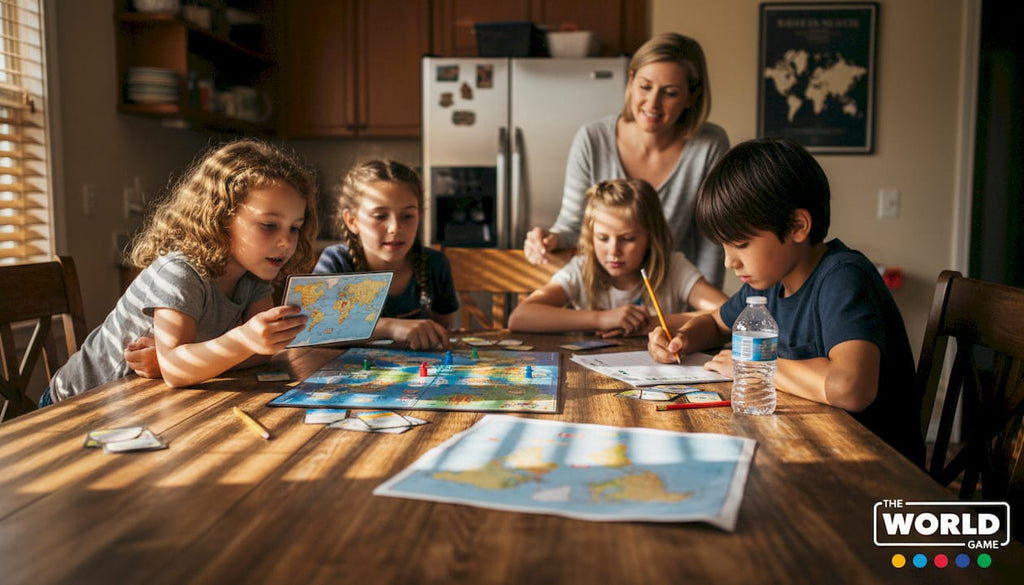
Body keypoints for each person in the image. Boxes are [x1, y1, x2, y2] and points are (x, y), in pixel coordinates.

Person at [647, 138, 925, 465]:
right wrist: (681, 339)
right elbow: (714, 323)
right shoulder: (769, 284)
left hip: (877, 471)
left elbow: (851, 388)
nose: (728, 262)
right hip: (807, 448)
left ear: (797, 226)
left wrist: (750, 365)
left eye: (741, 244)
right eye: (724, 246)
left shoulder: (843, 277)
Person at [41, 138, 319, 405]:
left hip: (140, 404)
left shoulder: (253, 276)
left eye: (294, 227)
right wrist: (241, 339)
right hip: (77, 404)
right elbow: (178, 369)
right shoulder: (181, 271)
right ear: (220, 217)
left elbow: (260, 353)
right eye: (269, 225)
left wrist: (174, 361)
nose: (286, 242)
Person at [523, 32, 730, 288]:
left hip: (674, 299)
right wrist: (550, 238)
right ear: (631, 80)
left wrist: (704, 316)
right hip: (602, 300)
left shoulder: (709, 145)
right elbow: (573, 224)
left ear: (691, 97)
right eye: (645, 86)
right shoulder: (592, 139)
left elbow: (711, 241)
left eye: (670, 93)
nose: (653, 103)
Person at [508, 178, 725, 337]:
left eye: (628, 239)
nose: (613, 251)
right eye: (602, 238)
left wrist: (651, 323)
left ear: (650, 237)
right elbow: (520, 317)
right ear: (590, 237)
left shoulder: (674, 267)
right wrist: (602, 319)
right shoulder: (581, 269)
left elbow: (729, 313)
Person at [315, 160, 458, 350]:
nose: (395, 228)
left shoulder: (435, 264)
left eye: (407, 216)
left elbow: (443, 330)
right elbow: (316, 329)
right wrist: (390, 327)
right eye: (380, 216)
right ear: (352, 221)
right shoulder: (336, 262)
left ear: (420, 216)